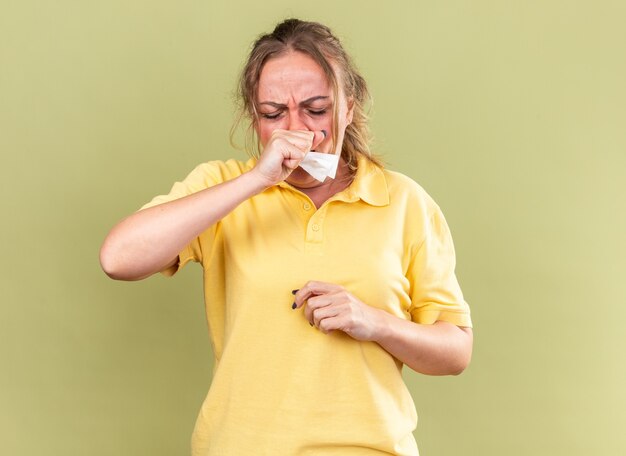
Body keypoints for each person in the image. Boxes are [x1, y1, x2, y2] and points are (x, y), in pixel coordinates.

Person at [100, 18, 473, 456]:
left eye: (316, 110)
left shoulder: (404, 202)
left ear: (348, 108)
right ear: (254, 117)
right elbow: (117, 258)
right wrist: (257, 180)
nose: (295, 129)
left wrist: (373, 322)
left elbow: (455, 352)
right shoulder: (223, 186)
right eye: (273, 114)